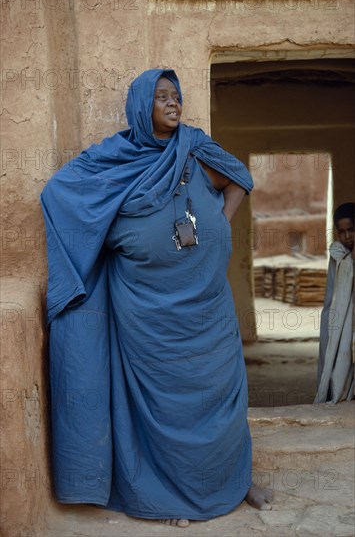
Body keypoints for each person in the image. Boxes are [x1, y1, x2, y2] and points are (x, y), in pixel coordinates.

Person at [41, 68, 272, 527]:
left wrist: (219, 226)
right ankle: (168, 498)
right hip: (146, 315)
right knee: (162, 409)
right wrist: (95, 245)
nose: (173, 103)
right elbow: (59, 194)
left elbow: (240, 178)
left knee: (221, 399)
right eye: (161, 96)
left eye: (177, 96)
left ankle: (232, 482)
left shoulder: (195, 148)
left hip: (208, 308)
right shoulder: (113, 159)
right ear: (140, 106)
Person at [315, 202, 354, 404]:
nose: (347, 236)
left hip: (351, 320)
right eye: (342, 232)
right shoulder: (338, 252)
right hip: (334, 319)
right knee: (333, 362)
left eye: (351, 230)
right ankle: (332, 399)